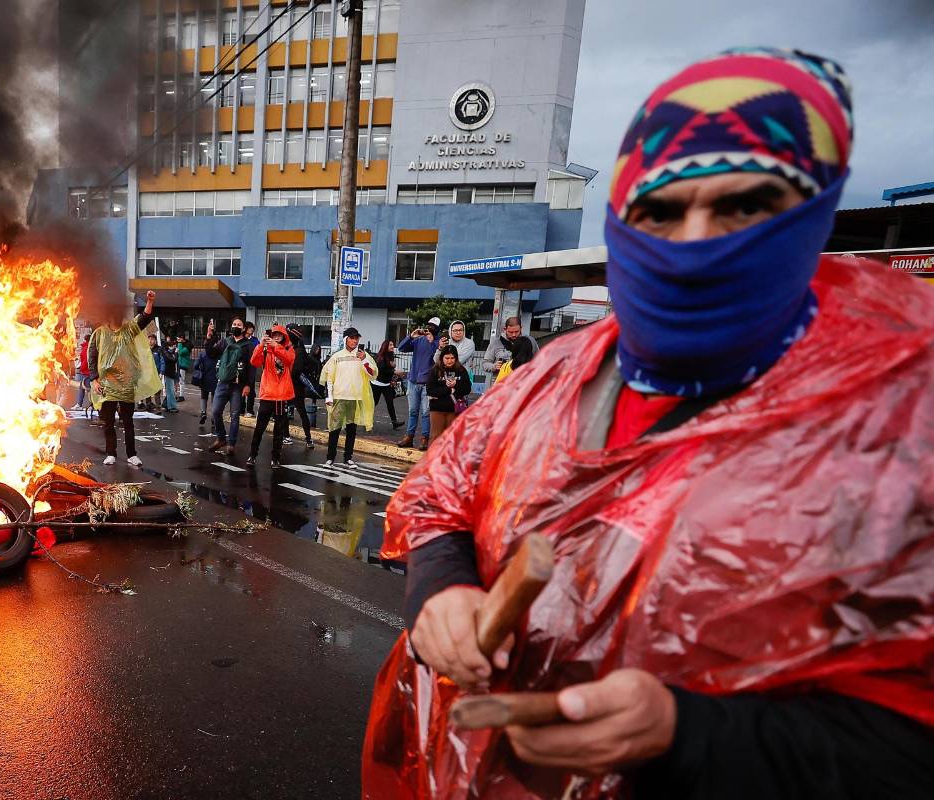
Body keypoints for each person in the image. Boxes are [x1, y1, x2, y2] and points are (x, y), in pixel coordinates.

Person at [363, 49, 934, 799]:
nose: (695, 242)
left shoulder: (902, 414)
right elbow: (440, 498)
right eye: (660, 211)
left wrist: (686, 734)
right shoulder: (556, 375)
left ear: (813, 217)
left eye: (745, 207)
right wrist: (439, 594)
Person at [88, 290, 159, 467]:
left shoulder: (129, 329)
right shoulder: (100, 333)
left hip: (127, 384)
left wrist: (150, 301)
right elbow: (92, 356)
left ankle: (132, 454)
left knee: (128, 421)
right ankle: (110, 453)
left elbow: (144, 318)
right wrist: (94, 379)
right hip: (106, 384)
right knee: (108, 421)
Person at [319, 327, 376, 468]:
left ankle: (348, 458)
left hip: (355, 398)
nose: (355, 340)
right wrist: (329, 396)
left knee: (351, 429)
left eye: (356, 338)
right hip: (339, 397)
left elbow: (372, 374)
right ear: (346, 339)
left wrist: (364, 361)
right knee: (335, 428)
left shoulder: (363, 356)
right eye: (352, 338)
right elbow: (329, 377)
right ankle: (330, 458)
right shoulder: (337, 356)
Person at [245, 324, 296, 468]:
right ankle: (252, 455)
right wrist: (261, 345)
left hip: (281, 397)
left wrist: (275, 346)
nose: (277, 337)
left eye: (280, 335)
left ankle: (275, 458)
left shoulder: (288, 349)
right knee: (259, 428)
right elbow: (254, 361)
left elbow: (288, 360)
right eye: (274, 335)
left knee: (279, 430)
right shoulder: (266, 350)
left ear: (284, 337)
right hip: (267, 395)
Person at [205, 317, 254, 456]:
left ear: (244, 328)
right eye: (234, 324)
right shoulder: (225, 341)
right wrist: (209, 337)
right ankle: (221, 438)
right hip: (222, 382)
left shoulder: (248, 345)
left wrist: (249, 385)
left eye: (239, 325)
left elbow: (252, 367)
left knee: (235, 416)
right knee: (215, 412)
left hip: (238, 386)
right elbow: (211, 353)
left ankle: (231, 444)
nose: (236, 326)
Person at [396, 317, 440, 449]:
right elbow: (401, 348)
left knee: (426, 412)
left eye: (433, 327)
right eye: (428, 325)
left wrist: (432, 342)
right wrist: (411, 336)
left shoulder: (438, 342)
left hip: (428, 383)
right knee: (413, 411)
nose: (429, 328)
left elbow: (436, 357)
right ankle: (409, 437)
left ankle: (424, 438)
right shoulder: (419, 340)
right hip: (413, 381)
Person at [425, 345, 471, 444]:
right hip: (437, 409)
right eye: (447, 358)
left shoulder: (461, 370)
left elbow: (467, 389)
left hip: (454, 409)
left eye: (452, 358)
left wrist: (457, 384)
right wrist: (448, 389)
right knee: (436, 437)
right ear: (442, 358)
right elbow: (430, 390)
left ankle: (448, 459)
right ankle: (433, 458)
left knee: (451, 438)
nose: (449, 361)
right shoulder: (435, 370)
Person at [483, 315, 538, 383]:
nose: (514, 335)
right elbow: (485, 364)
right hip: (500, 383)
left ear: (521, 328)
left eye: (517, 331)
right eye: (511, 332)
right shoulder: (495, 343)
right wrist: (494, 366)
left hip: (523, 383)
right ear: (505, 329)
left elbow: (539, 360)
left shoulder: (530, 341)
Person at [370, 340, 403, 430]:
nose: (393, 346)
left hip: (386, 384)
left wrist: (392, 378)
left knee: (390, 402)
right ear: (385, 347)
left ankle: (394, 422)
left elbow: (388, 370)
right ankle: (366, 421)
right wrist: (394, 371)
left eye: (393, 345)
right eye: (390, 345)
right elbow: (381, 370)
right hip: (377, 383)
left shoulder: (391, 356)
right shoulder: (380, 357)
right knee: (373, 403)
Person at [191, 327, 218, 426]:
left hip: (205, 378)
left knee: (204, 396)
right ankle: (214, 417)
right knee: (214, 397)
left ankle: (203, 412)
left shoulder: (203, 353)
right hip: (216, 378)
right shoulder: (219, 353)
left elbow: (195, 365)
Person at [242, 320, 260, 418]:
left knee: (251, 390)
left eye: (251, 332)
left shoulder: (255, 340)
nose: (250, 334)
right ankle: (241, 408)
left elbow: (259, 349)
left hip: (251, 367)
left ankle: (249, 410)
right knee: (240, 389)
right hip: (241, 368)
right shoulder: (240, 339)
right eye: (248, 332)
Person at [160, 333, 179, 413]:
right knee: (171, 390)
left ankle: (166, 405)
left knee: (170, 390)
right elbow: (172, 359)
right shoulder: (165, 351)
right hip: (168, 372)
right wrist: (176, 353)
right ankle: (172, 406)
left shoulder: (167, 351)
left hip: (171, 372)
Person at [72, 332, 91, 411]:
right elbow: (87, 361)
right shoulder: (89, 348)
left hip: (85, 371)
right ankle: (89, 405)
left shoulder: (85, 348)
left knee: (84, 388)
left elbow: (84, 360)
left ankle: (80, 404)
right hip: (87, 371)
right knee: (89, 389)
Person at [175, 334, 191, 403]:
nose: (178, 341)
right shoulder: (181, 344)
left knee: (181, 380)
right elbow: (176, 352)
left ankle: (181, 396)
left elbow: (180, 352)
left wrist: (179, 344)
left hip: (183, 364)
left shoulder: (188, 345)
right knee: (177, 380)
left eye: (179, 339)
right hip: (178, 363)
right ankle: (176, 394)